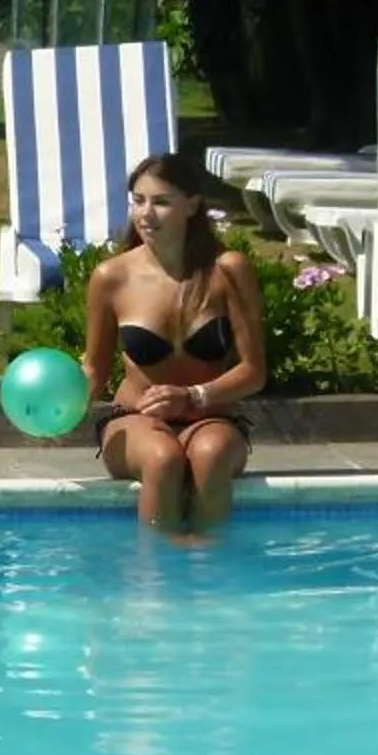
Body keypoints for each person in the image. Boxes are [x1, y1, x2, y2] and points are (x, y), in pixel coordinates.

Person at [83, 153, 268, 531]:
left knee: (211, 454)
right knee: (162, 457)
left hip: (212, 416)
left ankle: (206, 563)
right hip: (135, 419)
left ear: (193, 206)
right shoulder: (111, 277)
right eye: (138, 201)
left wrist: (194, 396)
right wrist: (58, 406)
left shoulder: (227, 270)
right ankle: (156, 565)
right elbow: (95, 371)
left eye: (161, 202)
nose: (146, 214)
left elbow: (253, 371)